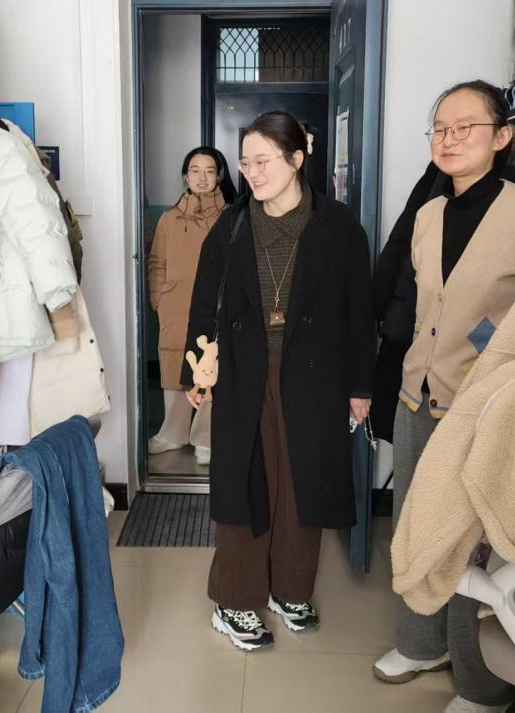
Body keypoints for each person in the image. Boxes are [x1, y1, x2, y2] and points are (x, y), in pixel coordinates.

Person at [372, 81, 515, 713]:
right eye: (440, 128)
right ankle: (420, 643)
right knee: (415, 526)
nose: (450, 138)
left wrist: (501, 364)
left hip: (486, 406)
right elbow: (425, 305)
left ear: (501, 136)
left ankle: (480, 684)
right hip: (417, 395)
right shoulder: (429, 214)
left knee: (468, 543)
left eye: (466, 127)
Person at [183, 111, 375, 651]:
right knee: (246, 481)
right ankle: (235, 600)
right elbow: (204, 301)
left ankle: (290, 589)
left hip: (315, 372)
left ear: (297, 158)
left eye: (263, 161)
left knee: (302, 481)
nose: (252, 173)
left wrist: (360, 385)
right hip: (242, 369)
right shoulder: (232, 225)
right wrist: (195, 371)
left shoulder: (338, 226)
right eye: (245, 162)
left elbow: (360, 312)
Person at [147, 146, 236, 466]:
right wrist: (159, 297)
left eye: (209, 171)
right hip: (175, 304)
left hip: (216, 305)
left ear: (219, 176)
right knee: (174, 363)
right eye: (195, 171)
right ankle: (173, 432)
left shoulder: (232, 218)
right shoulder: (169, 219)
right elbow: (156, 261)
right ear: (185, 176)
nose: (202, 178)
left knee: (211, 364)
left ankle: (205, 437)